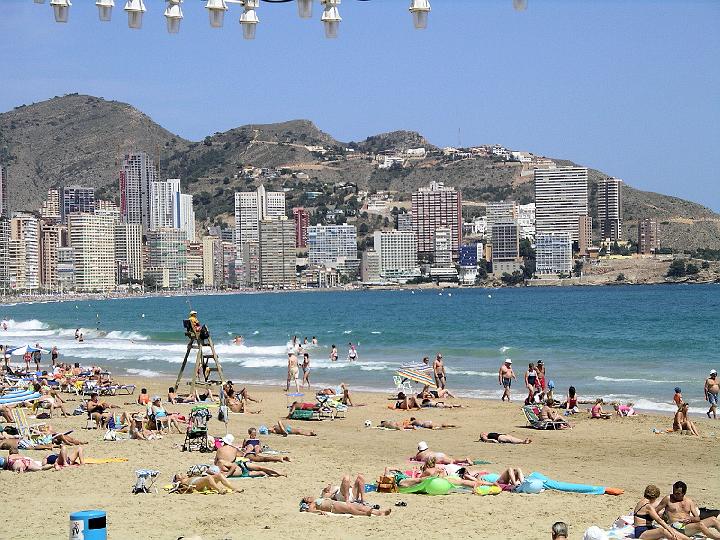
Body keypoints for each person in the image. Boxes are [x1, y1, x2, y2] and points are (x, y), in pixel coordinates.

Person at [300, 496, 391, 516]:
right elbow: (310, 511)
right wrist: (319, 512)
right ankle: (364, 514)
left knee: (359, 506)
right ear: (307, 502)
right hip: (333, 507)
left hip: (336, 503)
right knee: (350, 509)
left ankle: (379, 512)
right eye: (306, 498)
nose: (309, 497)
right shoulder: (312, 504)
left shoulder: (318, 498)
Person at [172, 471, 239, 495]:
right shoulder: (182, 482)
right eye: (180, 474)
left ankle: (234, 488)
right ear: (178, 479)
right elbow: (178, 486)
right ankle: (219, 490)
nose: (182, 473)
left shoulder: (189, 477)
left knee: (219, 475)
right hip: (194, 484)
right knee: (208, 478)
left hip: (200, 481)